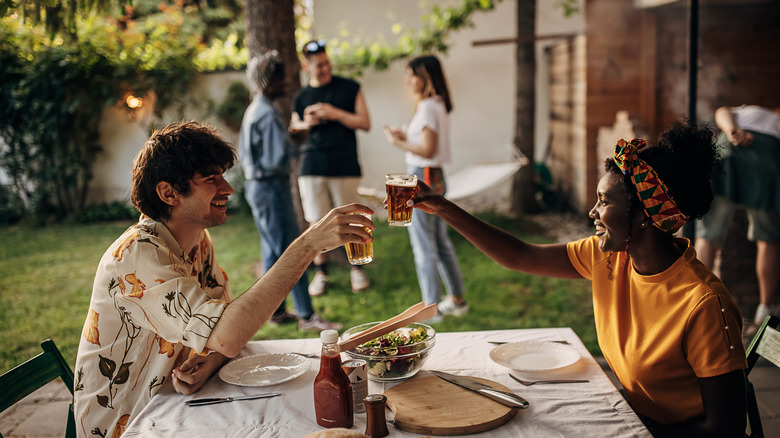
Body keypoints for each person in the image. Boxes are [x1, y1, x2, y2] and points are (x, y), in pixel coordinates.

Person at [408, 120, 747, 436]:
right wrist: (442, 207)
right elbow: (520, 256)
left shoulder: (703, 305)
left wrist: (631, 431)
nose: (592, 212)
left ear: (644, 215)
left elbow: (724, 429)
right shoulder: (610, 257)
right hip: (633, 419)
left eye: (603, 201)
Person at [73, 122, 374, 437]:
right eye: (211, 178)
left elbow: (228, 329)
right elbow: (228, 335)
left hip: (175, 405)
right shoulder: (136, 255)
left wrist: (211, 357)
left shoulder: (196, 240)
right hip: (127, 423)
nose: (228, 189)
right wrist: (307, 245)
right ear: (168, 193)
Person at [239, 51, 341, 331]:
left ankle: (276, 311)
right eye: (282, 77)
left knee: (272, 251)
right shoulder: (267, 113)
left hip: (259, 189)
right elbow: (276, 159)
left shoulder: (255, 109)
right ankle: (307, 316)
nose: (287, 82)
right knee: (290, 253)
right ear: (269, 80)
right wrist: (298, 139)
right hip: (272, 188)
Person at [383, 55, 467, 317]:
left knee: (423, 243)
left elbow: (427, 150)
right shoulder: (437, 104)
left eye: (412, 75)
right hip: (436, 175)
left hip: (422, 175)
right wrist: (407, 136)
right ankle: (456, 299)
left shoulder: (428, 107)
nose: (408, 81)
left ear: (426, 77)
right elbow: (428, 144)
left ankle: (431, 308)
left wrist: (398, 143)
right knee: (440, 241)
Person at [292, 39, 372, 296]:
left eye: (326, 63)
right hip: (312, 165)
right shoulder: (301, 96)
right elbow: (295, 130)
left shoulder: (350, 88)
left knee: (353, 220)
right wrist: (306, 123)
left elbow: (365, 122)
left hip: (344, 164)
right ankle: (322, 274)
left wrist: (335, 113)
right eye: (318, 65)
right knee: (317, 223)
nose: (325, 68)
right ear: (306, 67)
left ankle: (357, 269)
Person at [695, 105, 780, 330]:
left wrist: (732, 130)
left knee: (708, 234)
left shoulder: (752, 111)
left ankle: (696, 304)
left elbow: (723, 111)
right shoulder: (765, 114)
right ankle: (766, 312)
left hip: (730, 153)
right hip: (766, 161)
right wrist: (734, 130)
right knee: (767, 238)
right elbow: (723, 111)